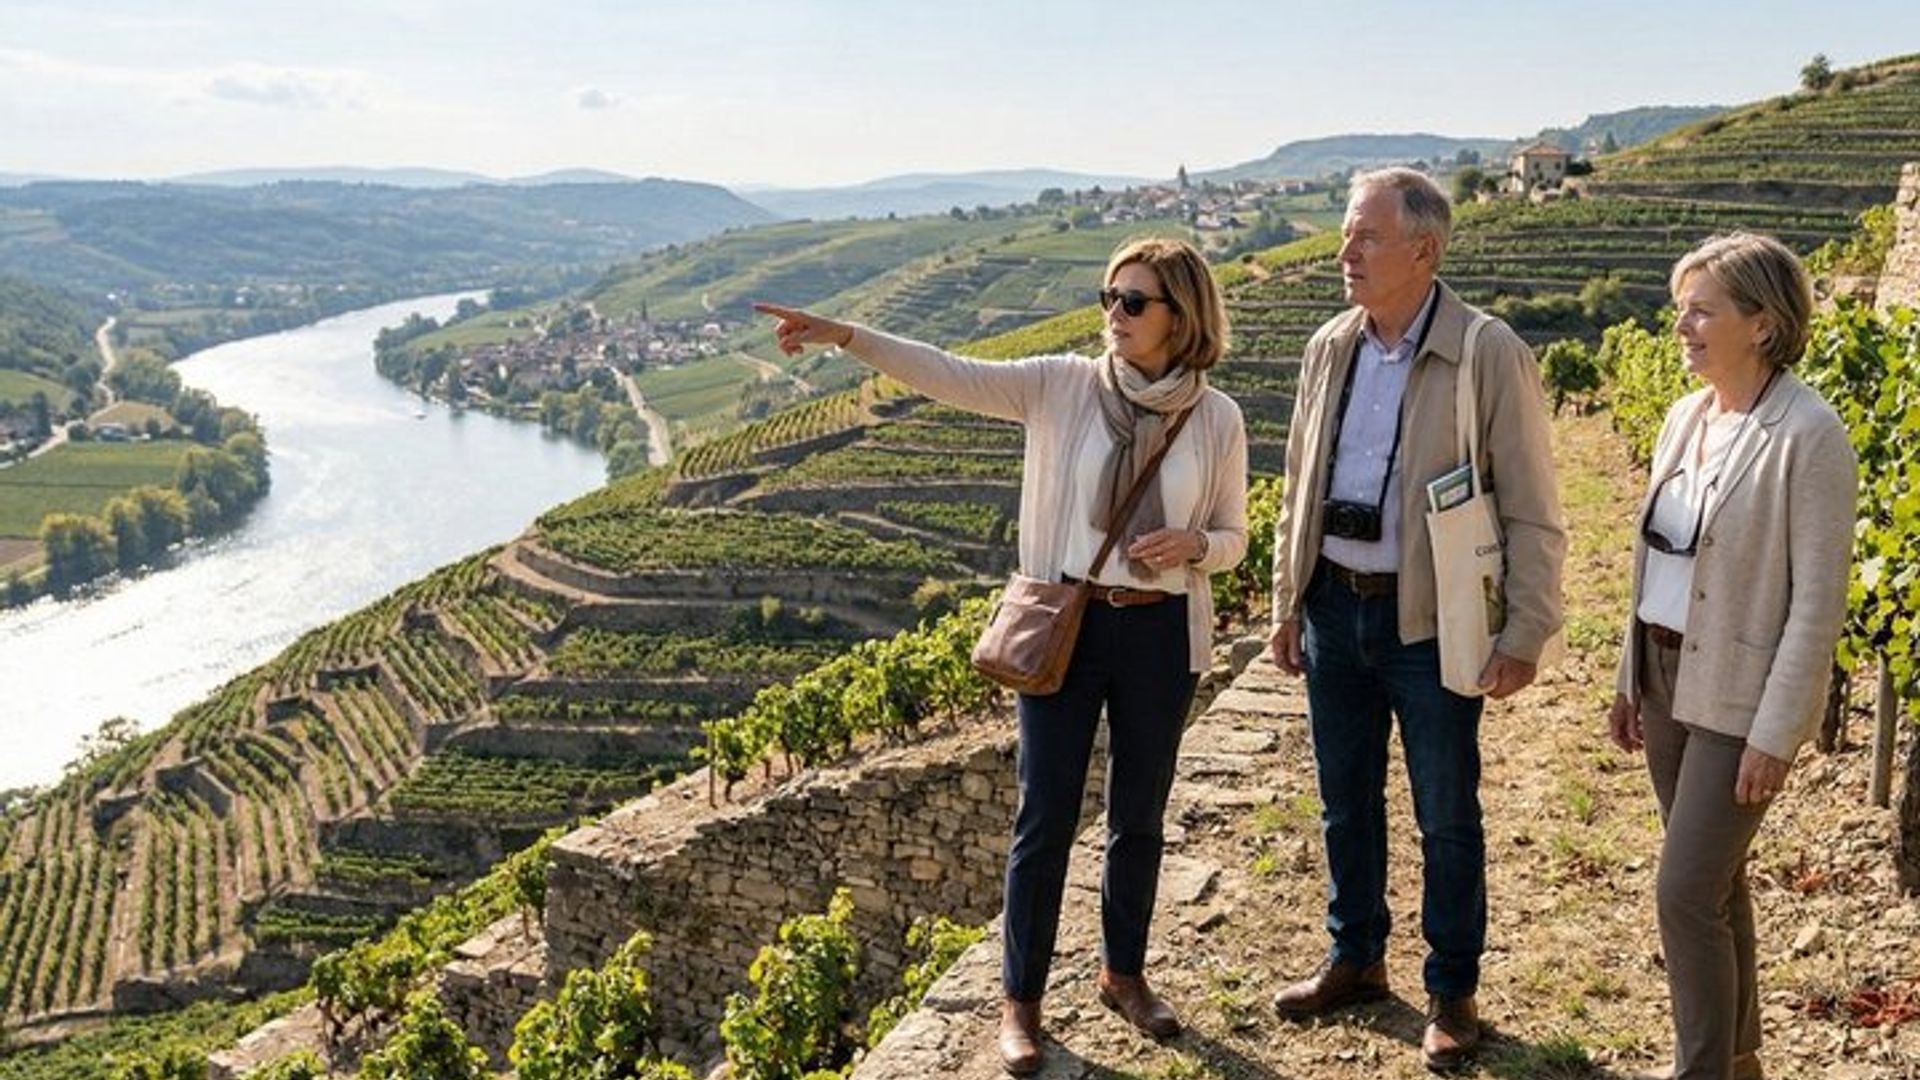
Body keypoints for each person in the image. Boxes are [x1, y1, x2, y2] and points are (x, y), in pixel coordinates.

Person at [755, 236, 1248, 1077]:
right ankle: (1020, 1005)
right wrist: (848, 336)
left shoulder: (1216, 416)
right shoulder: (1061, 385)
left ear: (1182, 315)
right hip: (1066, 622)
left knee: (1140, 815)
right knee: (1043, 818)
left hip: (1160, 630)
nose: (1113, 316)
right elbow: (950, 371)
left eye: (1134, 302)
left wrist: (1195, 544)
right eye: (1109, 297)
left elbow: (1235, 537)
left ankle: (1123, 975)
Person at [1267, 167, 1565, 1071]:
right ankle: (1355, 958)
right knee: (1342, 804)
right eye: (1346, 234)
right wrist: (1289, 602)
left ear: (1423, 250)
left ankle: (1451, 988)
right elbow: (1298, 485)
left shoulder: (1485, 351)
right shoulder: (1330, 345)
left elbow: (1532, 508)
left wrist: (1525, 632)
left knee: (1446, 812)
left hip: (1429, 621)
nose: (1343, 251)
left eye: (1364, 236)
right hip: (1331, 610)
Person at [1608, 233, 1856, 1080]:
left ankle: (1701, 1069)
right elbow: (1653, 560)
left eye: (1701, 309)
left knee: (1683, 893)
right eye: (1682, 306)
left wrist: (1776, 733)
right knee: (1718, 882)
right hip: (1668, 674)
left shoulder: (1808, 433)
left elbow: (1818, 603)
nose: (1682, 325)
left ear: (1761, 322)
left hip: (1741, 695)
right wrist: (1628, 678)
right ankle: (1741, 1063)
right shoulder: (1686, 415)